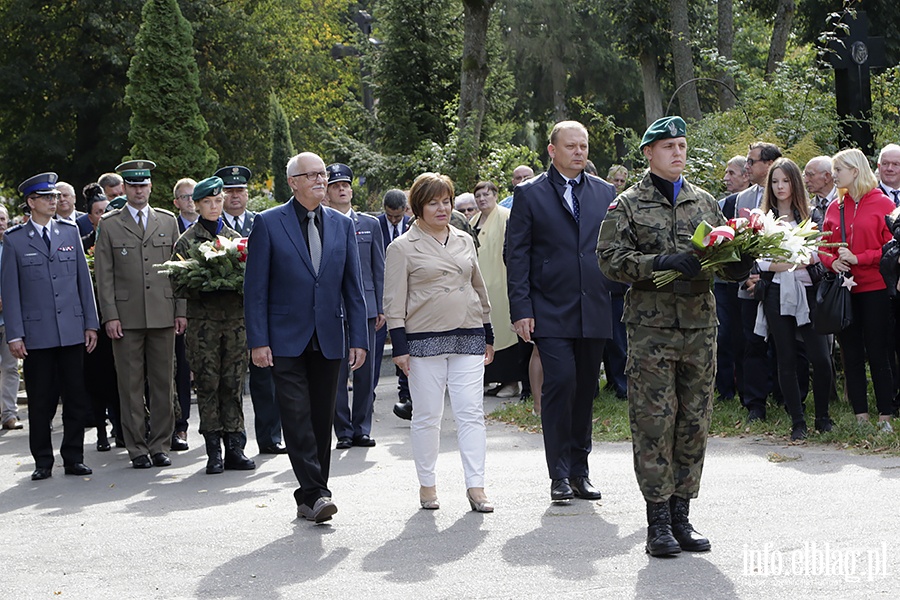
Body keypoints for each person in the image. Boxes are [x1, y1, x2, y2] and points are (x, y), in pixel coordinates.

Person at [597, 116, 751, 557]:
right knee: (653, 422)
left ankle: (683, 515)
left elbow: (724, 252)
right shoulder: (626, 204)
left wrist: (739, 266)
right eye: (668, 146)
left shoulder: (705, 202)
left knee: (693, 422)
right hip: (651, 331)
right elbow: (609, 261)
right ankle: (658, 521)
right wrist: (659, 262)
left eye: (682, 145)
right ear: (649, 153)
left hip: (700, 328)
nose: (678, 152)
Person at [244, 152, 368, 523]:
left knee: (320, 418)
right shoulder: (268, 223)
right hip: (284, 338)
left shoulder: (341, 225)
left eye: (323, 174)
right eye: (311, 175)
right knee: (296, 416)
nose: (320, 180)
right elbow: (256, 289)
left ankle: (309, 496)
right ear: (293, 182)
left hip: (329, 336)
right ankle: (317, 493)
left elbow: (353, 288)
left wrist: (358, 338)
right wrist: (258, 340)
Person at [506, 120, 613, 504]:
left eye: (584, 146)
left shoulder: (605, 193)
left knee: (585, 389)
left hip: (593, 306)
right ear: (552, 150)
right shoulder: (530, 194)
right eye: (571, 146)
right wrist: (521, 309)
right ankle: (559, 474)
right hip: (548, 308)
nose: (579, 152)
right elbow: (516, 255)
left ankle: (580, 471)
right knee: (561, 382)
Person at [383, 172, 495, 512]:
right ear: (418, 207)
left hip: (469, 332)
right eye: (433, 202)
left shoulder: (463, 238)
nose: (442, 208)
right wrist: (399, 346)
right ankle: (427, 484)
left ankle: (476, 486)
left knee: (471, 413)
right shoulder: (401, 247)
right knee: (428, 416)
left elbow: (478, 285)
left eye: (446, 201)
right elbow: (393, 301)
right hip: (423, 339)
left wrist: (488, 331)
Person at [1, 172, 99, 480]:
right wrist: (14, 333)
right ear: (31, 202)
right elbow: (11, 292)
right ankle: (42, 460)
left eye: (55, 196)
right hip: (37, 334)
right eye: (47, 197)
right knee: (41, 401)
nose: (53, 201)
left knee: (75, 397)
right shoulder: (14, 240)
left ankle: (74, 457)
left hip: (71, 330)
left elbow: (84, 282)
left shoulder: (69, 232)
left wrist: (90, 324)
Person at [93, 160, 186, 469]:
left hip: (163, 313)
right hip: (127, 316)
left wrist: (180, 310)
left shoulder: (167, 220)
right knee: (130, 386)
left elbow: (179, 270)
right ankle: (136, 448)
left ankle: (160, 445)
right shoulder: (109, 223)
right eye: (132, 185)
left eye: (143, 185)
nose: (138, 190)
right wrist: (110, 315)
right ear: (126, 188)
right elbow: (104, 275)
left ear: (150, 187)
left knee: (164, 383)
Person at [172, 176, 255, 474]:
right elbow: (176, 282)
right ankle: (213, 450)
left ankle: (236, 447)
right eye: (207, 202)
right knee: (208, 385)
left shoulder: (235, 239)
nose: (214, 206)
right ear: (196, 205)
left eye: (218, 201)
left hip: (234, 324)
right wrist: (205, 282)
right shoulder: (187, 240)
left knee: (233, 384)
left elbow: (251, 278)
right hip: (203, 327)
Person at [755, 158, 833, 440]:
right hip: (776, 293)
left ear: (795, 183)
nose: (779, 187)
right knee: (785, 357)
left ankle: (822, 416)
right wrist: (786, 263)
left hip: (808, 292)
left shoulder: (811, 216)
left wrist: (793, 260)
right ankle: (797, 421)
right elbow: (761, 263)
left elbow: (817, 256)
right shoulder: (761, 219)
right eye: (774, 182)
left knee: (821, 359)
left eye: (785, 181)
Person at [819, 148, 896, 431]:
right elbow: (822, 246)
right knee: (850, 352)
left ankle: (885, 416)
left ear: (855, 171)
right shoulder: (834, 206)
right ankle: (860, 416)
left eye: (838, 170)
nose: (834, 175)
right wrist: (833, 261)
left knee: (878, 351)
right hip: (844, 289)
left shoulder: (883, 204)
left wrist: (859, 258)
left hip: (874, 287)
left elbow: (891, 248)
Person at [216, 165, 286, 455]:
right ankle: (232, 442)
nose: (235, 196)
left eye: (240, 191)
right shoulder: (213, 225)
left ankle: (270, 437)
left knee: (266, 380)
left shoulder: (262, 222)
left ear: (247, 194)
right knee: (228, 381)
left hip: (260, 315)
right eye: (229, 191)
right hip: (225, 315)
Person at [324, 163, 385, 449]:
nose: (342, 189)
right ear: (326, 192)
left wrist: (382, 305)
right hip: (334, 309)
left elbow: (379, 267)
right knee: (336, 374)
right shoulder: (321, 223)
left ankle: (362, 427)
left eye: (346, 185)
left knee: (366, 373)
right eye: (336, 185)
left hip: (367, 308)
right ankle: (343, 431)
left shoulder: (370, 224)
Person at [736, 142, 782, 422]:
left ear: (770, 163)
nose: (747, 168)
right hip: (750, 282)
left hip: (784, 283)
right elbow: (739, 242)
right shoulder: (742, 199)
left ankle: (787, 396)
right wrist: (746, 275)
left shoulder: (790, 192)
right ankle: (755, 402)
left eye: (752, 162)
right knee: (752, 342)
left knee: (788, 344)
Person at [469, 181, 519, 398]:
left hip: (501, 282)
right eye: (478, 195)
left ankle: (510, 381)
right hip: (480, 285)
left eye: (486, 194)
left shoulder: (506, 217)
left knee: (504, 334)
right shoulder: (473, 220)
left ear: (496, 195)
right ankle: (489, 379)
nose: (482, 199)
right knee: (486, 334)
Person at [714, 156, 751, 403]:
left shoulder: (757, 203)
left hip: (750, 282)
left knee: (748, 337)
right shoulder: (720, 205)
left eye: (732, 173)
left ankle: (750, 387)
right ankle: (724, 390)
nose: (726, 178)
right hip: (723, 283)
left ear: (746, 176)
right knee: (724, 334)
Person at [170, 177, 196, 452]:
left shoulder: (215, 227)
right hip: (177, 313)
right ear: (176, 202)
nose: (191, 201)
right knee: (178, 370)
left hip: (204, 313)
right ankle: (180, 425)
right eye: (185, 197)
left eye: (193, 196)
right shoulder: (170, 228)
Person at [0, 205, 23, 431]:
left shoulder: (14, 244)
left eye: (2, 218)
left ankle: (9, 414)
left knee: (10, 368)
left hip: (9, 318)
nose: (0, 223)